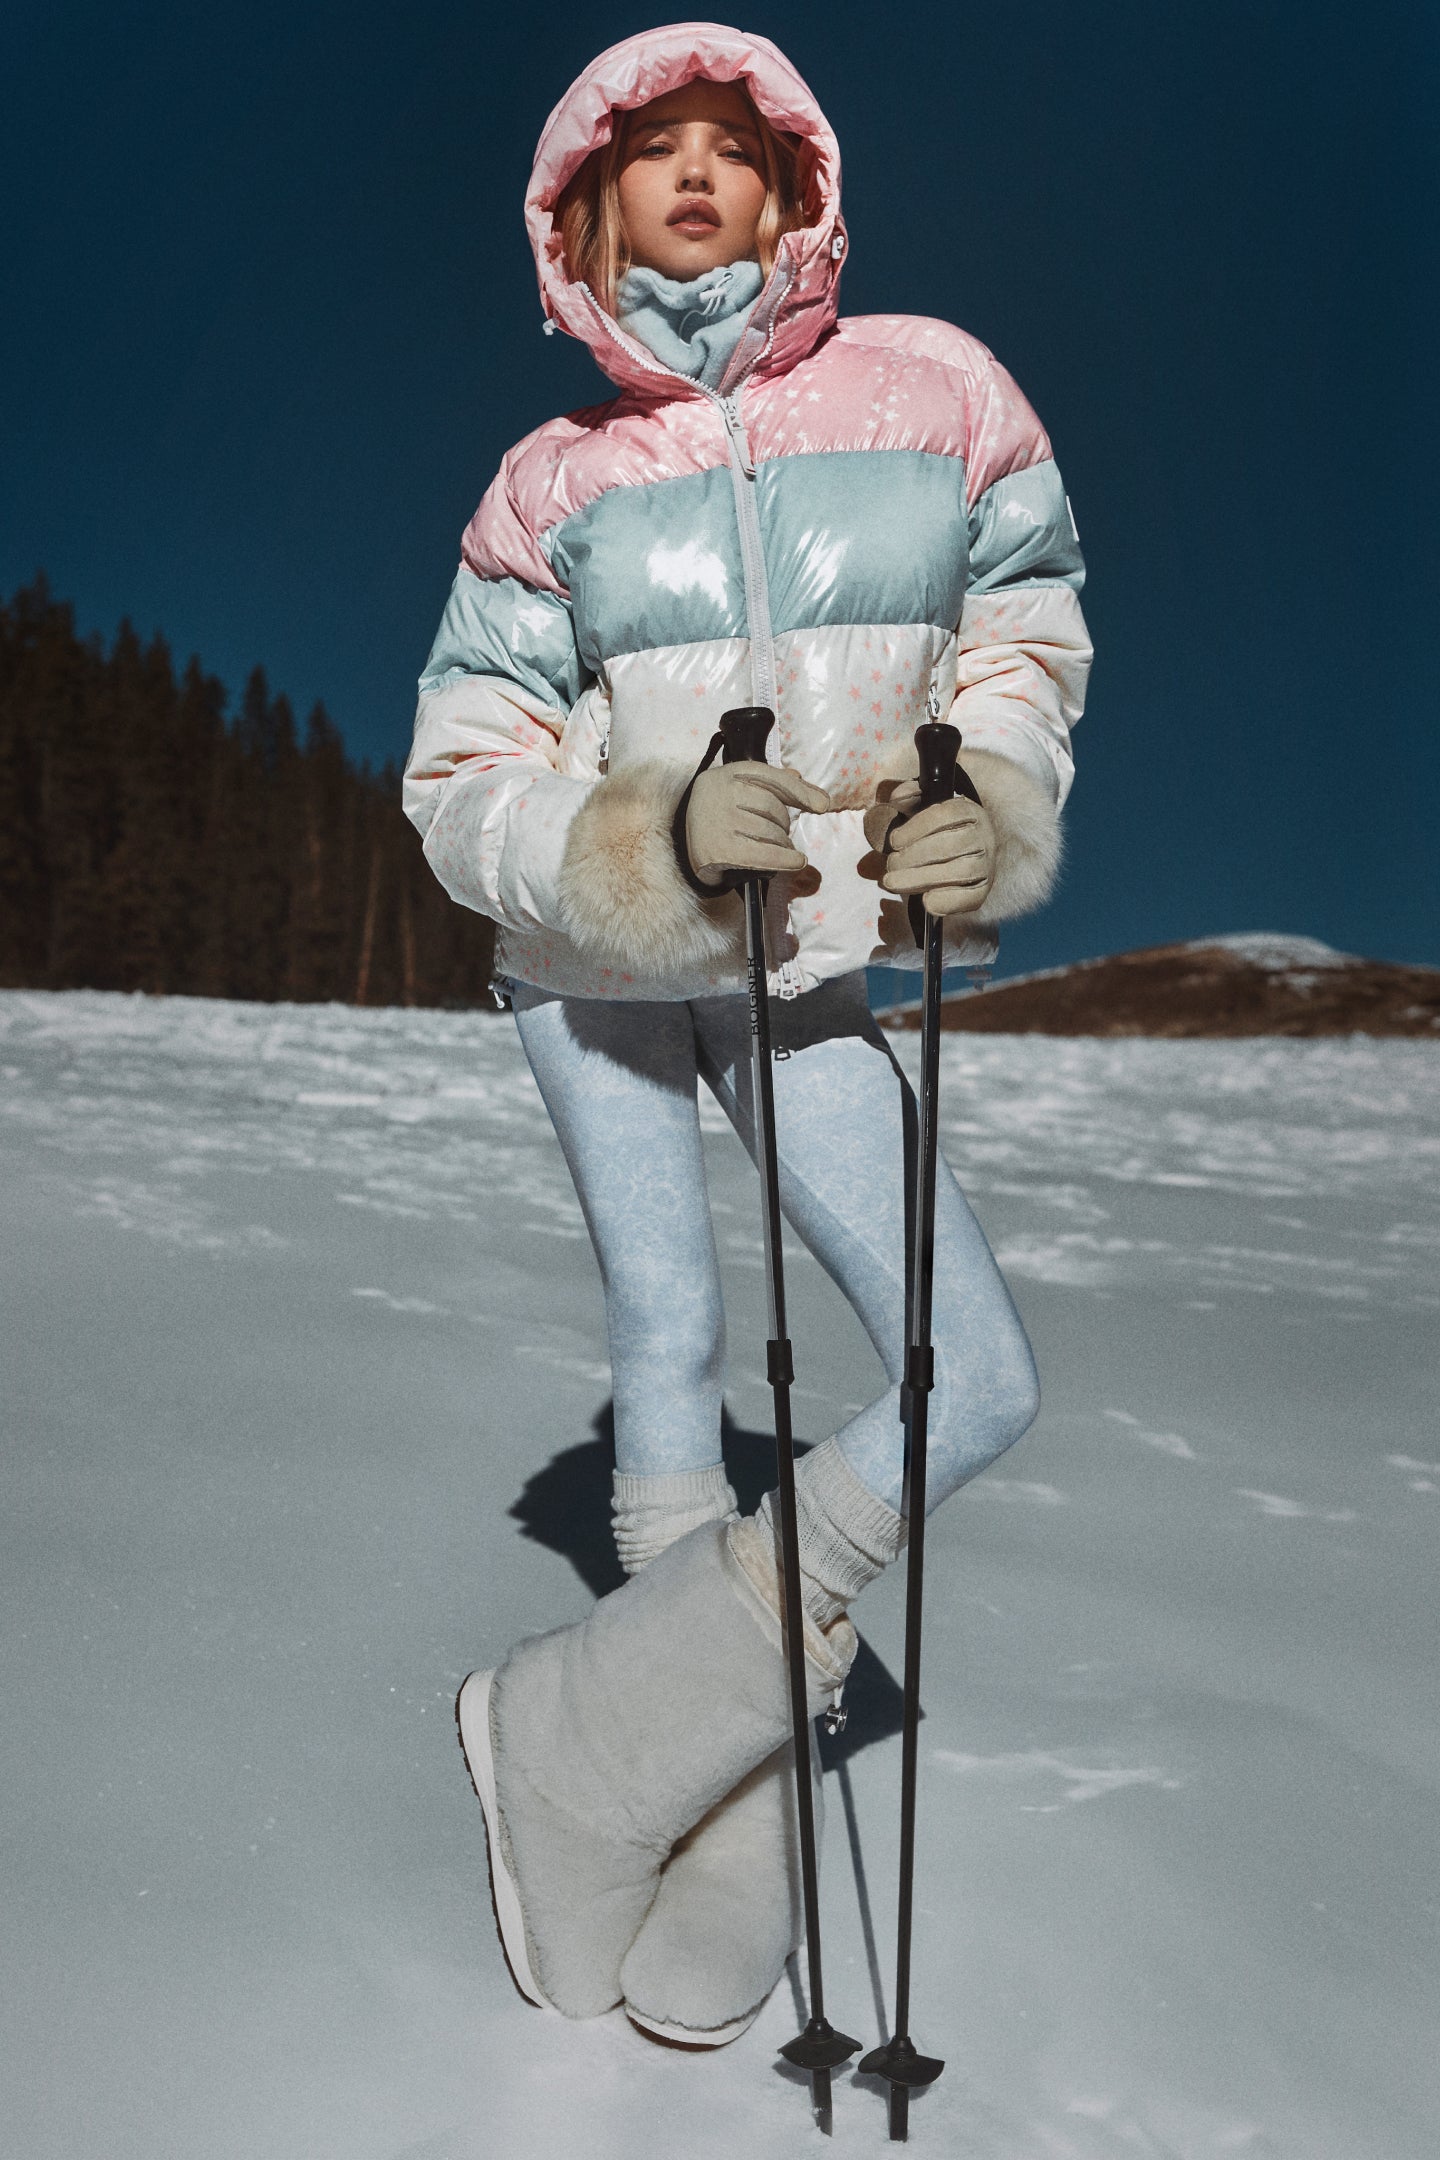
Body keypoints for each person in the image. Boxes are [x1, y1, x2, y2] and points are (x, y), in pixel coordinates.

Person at [404, 23, 1091, 2048]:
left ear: (798, 190)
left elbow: (1023, 631)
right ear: (587, 211)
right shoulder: (548, 484)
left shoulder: (937, 389)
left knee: (975, 1378)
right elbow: (460, 778)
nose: (695, 170)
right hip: (598, 973)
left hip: (814, 974)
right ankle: (721, 1811)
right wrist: (640, 838)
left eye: (734, 145)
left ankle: (590, 1731)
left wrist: (991, 795)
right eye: (653, 151)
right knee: (672, 1341)